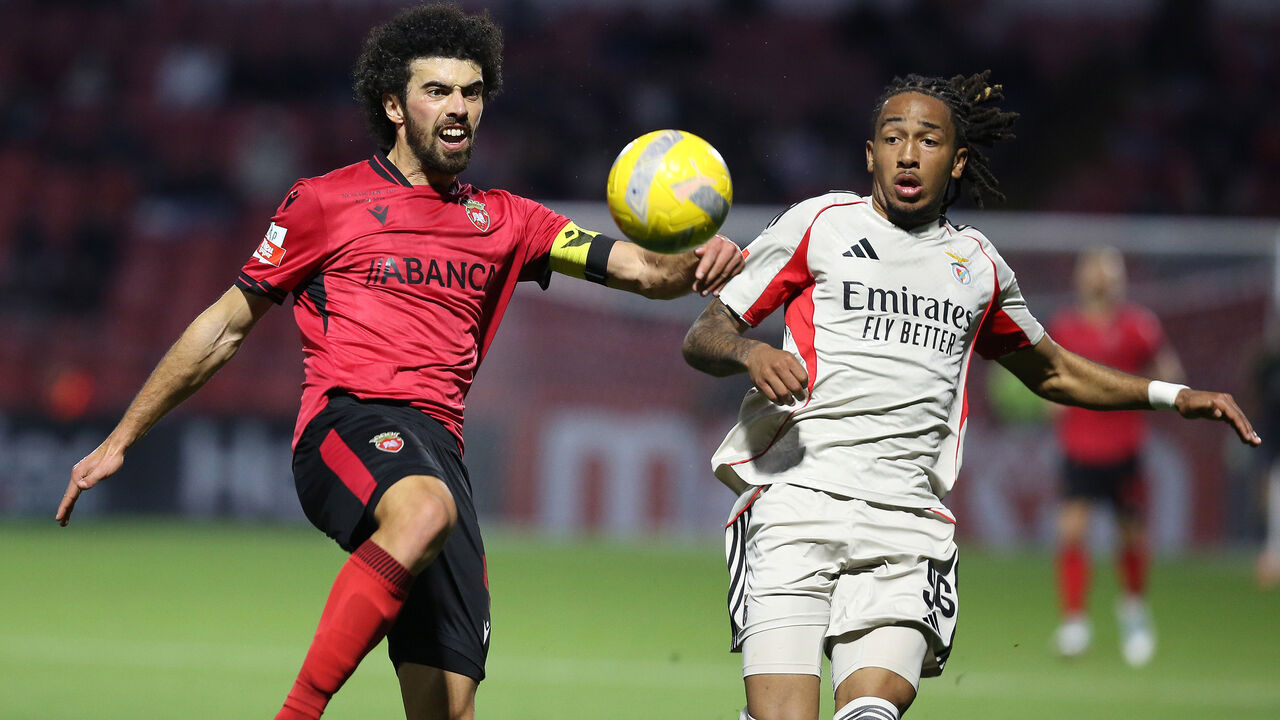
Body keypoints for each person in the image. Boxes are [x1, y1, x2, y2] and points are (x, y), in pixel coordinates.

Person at [54, 5, 743, 720]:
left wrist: (699, 262)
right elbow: (226, 326)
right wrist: (122, 436)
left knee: (448, 707)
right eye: (437, 91)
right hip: (348, 424)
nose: (459, 108)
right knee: (421, 512)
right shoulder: (324, 202)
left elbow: (641, 270)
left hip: (440, 452)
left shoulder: (511, 220)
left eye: (471, 92)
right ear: (393, 105)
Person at [681, 71, 1260, 720]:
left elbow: (1053, 371)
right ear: (870, 155)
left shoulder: (977, 266)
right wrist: (751, 352)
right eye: (893, 138)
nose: (908, 153)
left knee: (871, 710)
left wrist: (1172, 395)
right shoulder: (819, 225)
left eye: (928, 140)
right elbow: (705, 334)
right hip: (796, 503)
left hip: (906, 522)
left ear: (956, 161)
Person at [1048, 246, 1185, 666]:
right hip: (1079, 448)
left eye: (1107, 272)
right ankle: (1074, 623)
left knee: (1131, 537)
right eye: (1093, 271)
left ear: (1120, 279)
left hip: (1125, 449)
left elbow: (1171, 374)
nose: (1100, 279)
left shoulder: (1139, 326)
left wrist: (1153, 394)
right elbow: (1049, 380)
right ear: (1080, 278)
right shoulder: (1064, 327)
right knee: (1072, 532)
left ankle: (1134, 615)